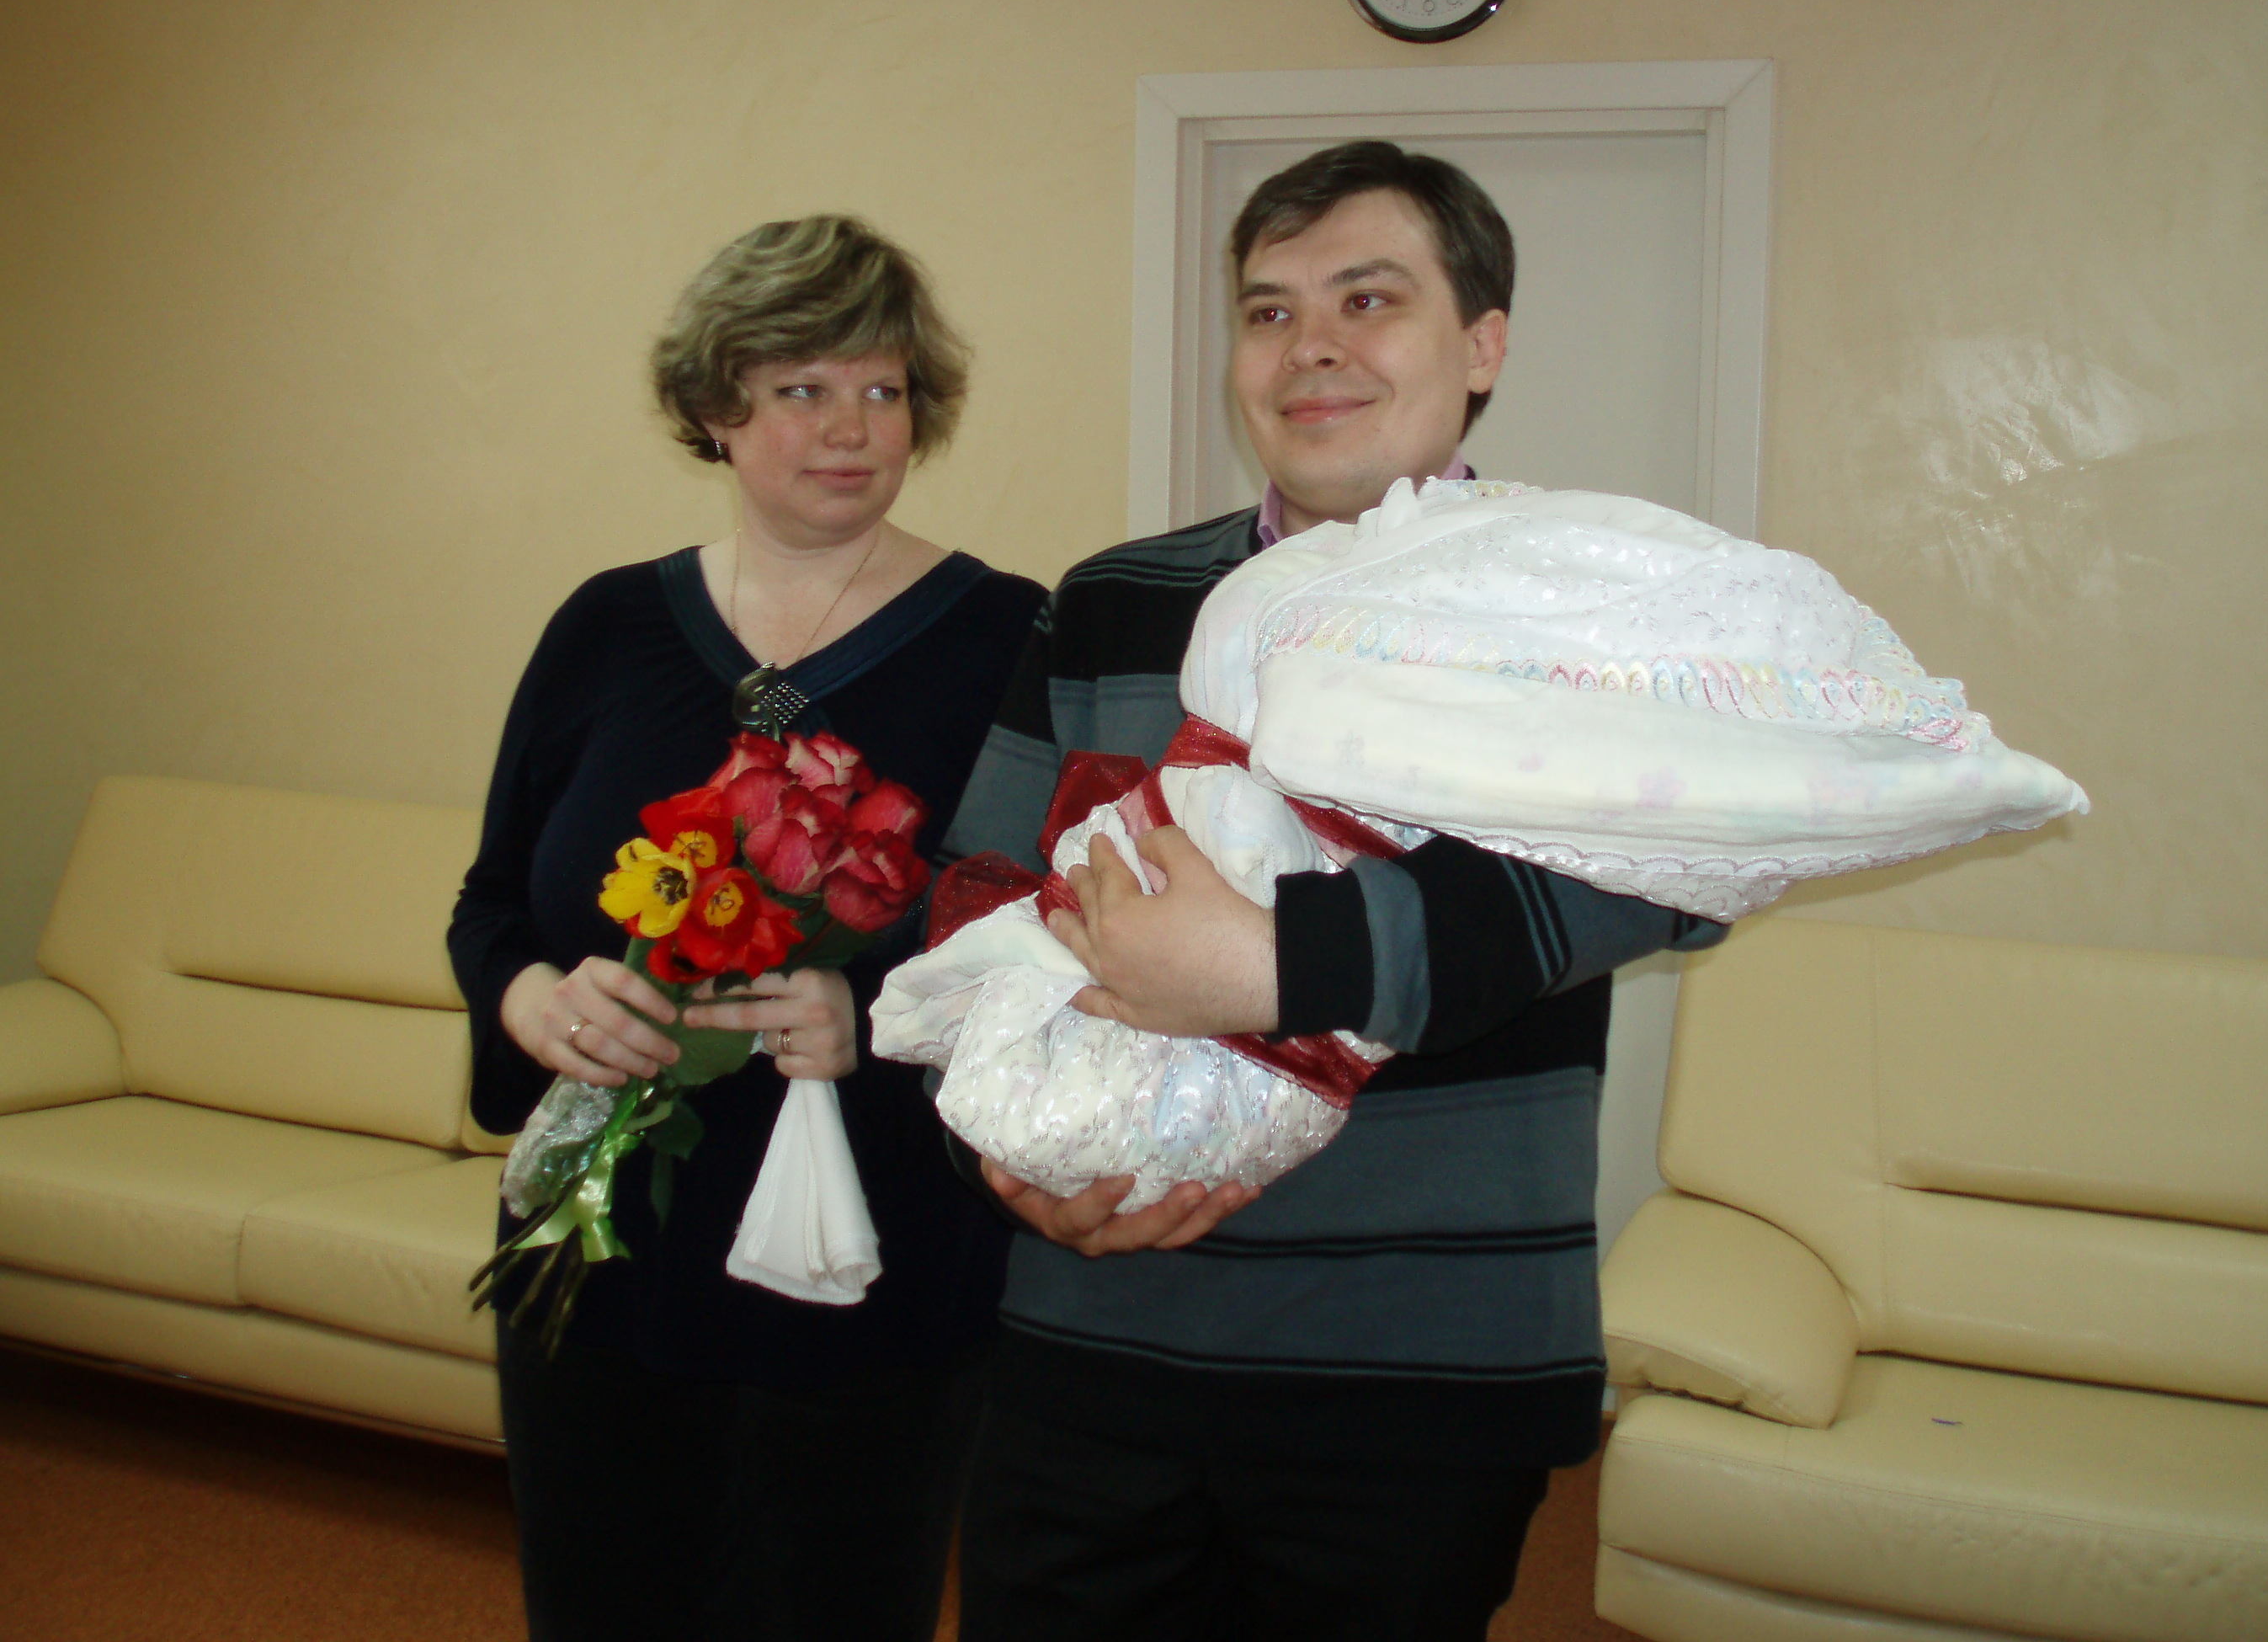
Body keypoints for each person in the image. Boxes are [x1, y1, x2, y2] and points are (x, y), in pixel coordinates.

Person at [941, 142, 1728, 1642]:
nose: (1310, 347)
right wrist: (996, 1147)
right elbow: (975, 894)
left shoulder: (1593, 609)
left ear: (1481, 344)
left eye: (1368, 300)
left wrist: (1281, 964)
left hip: (1413, 1363)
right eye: (1269, 310)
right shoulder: (1111, 601)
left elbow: (1678, 882)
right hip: (1094, 1337)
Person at [448, 216, 1045, 1642]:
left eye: (883, 389)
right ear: (716, 409)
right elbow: (491, 906)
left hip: (868, 1261)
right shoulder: (604, 628)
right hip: (601, 1260)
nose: (851, 429)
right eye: (801, 389)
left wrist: (879, 1013)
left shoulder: (1012, 639)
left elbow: (1051, 942)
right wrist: (531, 1000)